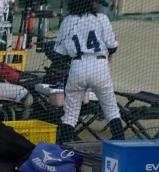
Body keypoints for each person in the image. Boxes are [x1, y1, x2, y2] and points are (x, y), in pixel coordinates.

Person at [53, 0, 124, 143]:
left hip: (77, 66)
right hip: (99, 66)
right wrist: (107, 52)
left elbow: (59, 53)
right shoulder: (101, 18)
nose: (97, 5)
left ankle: (64, 148)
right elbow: (112, 46)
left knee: (70, 115)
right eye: (95, 2)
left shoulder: (67, 21)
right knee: (111, 110)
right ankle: (121, 144)